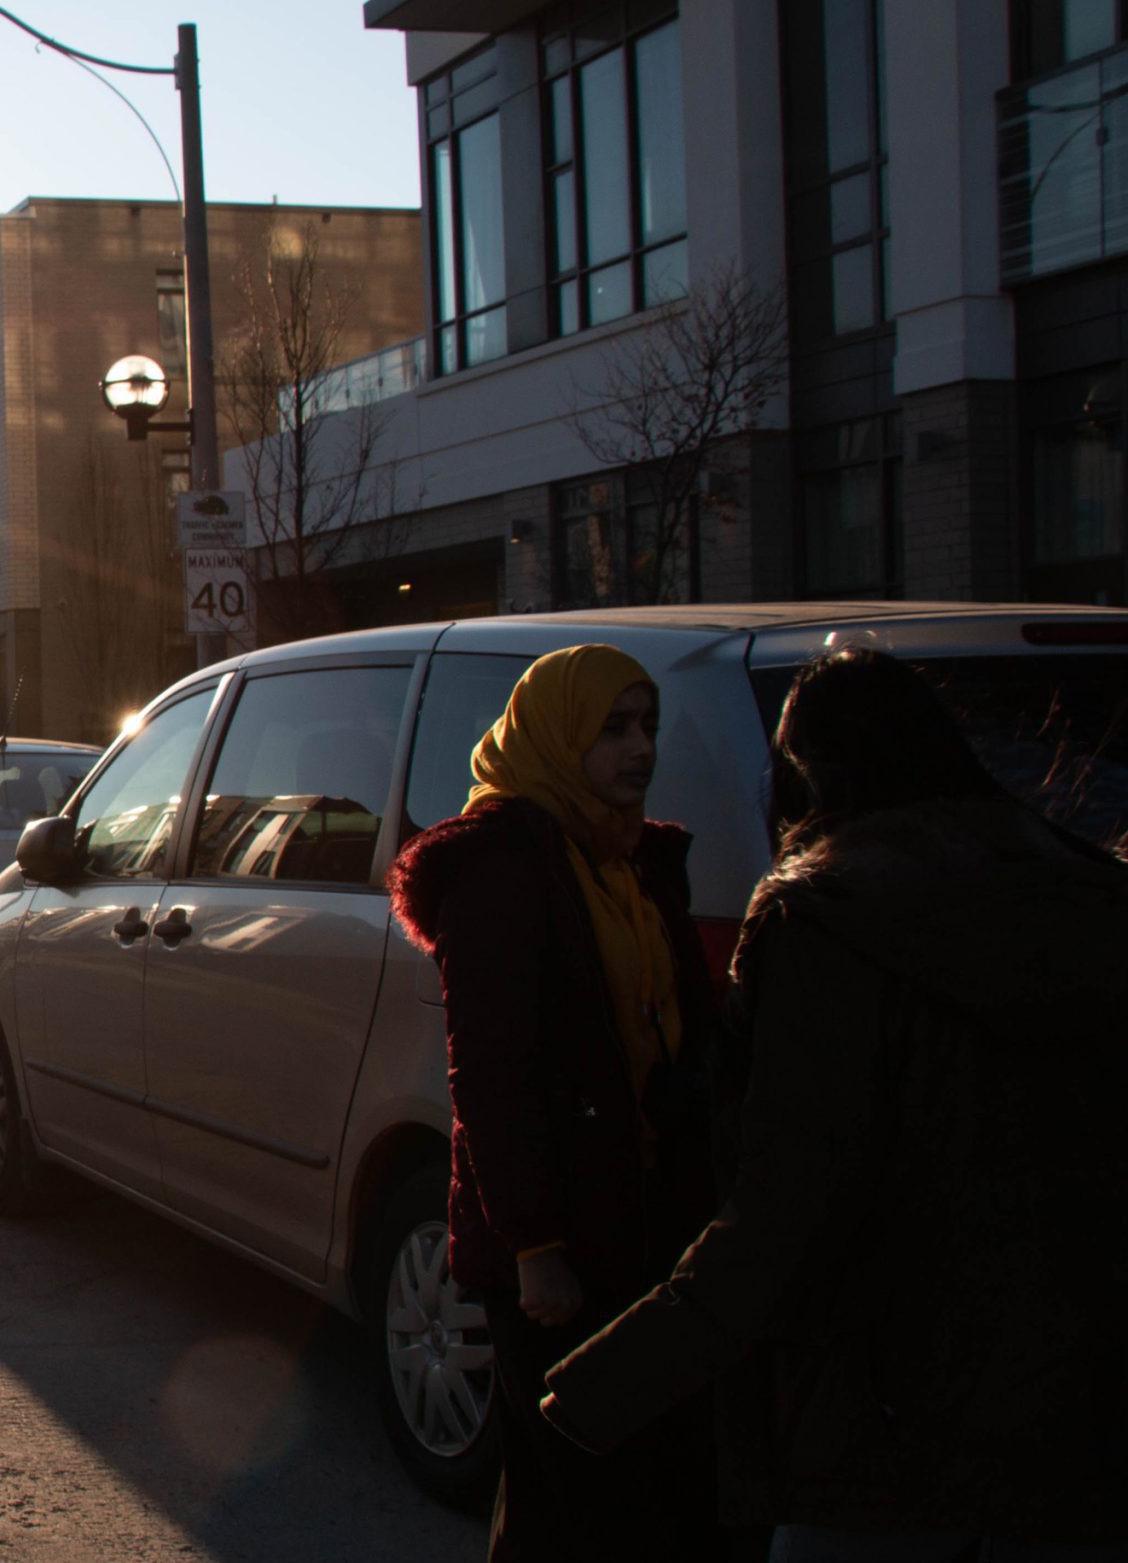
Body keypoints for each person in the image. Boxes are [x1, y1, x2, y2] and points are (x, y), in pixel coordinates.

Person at [541, 648, 1127, 1560]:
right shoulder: (1082, 887)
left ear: (809, 773)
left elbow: (783, 1209)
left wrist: (602, 1385)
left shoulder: (828, 916)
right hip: (1081, 1412)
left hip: (890, 1416)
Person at [390, 643, 719, 1561]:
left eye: (647, 725)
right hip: (554, 1243)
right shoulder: (502, 866)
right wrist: (535, 1245)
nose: (638, 748)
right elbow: (492, 1073)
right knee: (569, 1492)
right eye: (612, 728)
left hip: (642, 1215)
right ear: (556, 733)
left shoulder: (631, 860)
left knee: (623, 1489)